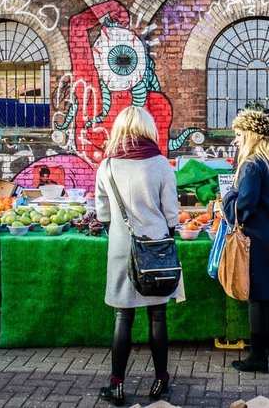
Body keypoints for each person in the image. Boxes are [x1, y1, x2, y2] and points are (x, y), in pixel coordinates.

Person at [95, 106, 184, 406]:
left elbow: (103, 213)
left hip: (122, 248)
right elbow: (172, 213)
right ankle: (161, 381)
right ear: (149, 129)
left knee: (123, 316)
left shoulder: (106, 166)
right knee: (158, 315)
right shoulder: (160, 164)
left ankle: (116, 384)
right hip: (157, 248)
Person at [222, 109, 269, 373]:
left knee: (257, 299)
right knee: (268, 299)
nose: (236, 140)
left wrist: (228, 197)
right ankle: (264, 349)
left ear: (250, 134)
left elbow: (244, 207)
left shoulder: (251, 164)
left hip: (258, 240)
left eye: (239, 135)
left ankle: (257, 357)